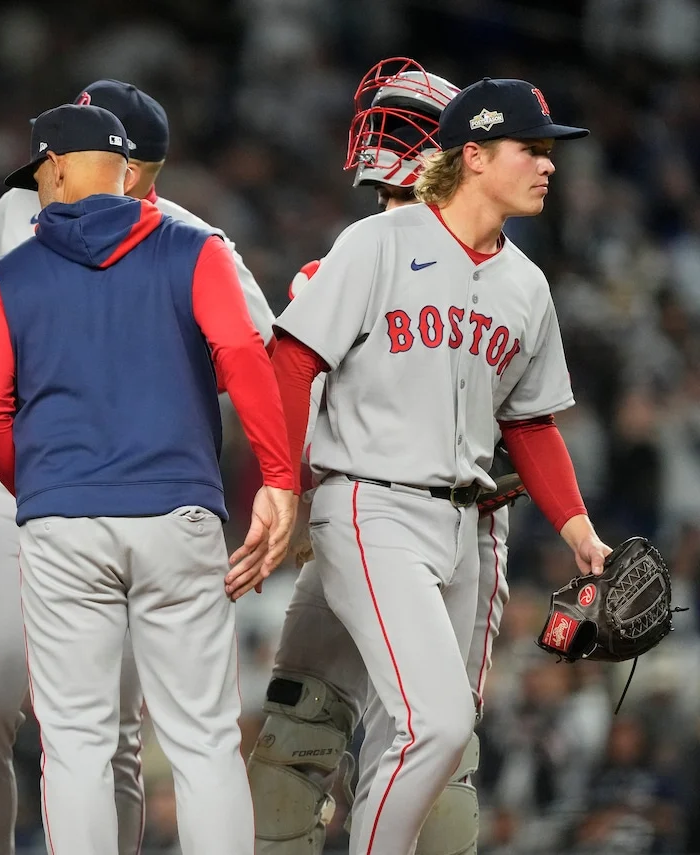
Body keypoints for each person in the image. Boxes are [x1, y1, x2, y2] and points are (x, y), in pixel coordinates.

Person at [266, 76, 611, 855]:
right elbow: (293, 359)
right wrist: (281, 487)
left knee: (436, 742)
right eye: (532, 148)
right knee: (437, 722)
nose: (549, 164)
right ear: (475, 155)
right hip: (372, 505)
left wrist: (578, 528)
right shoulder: (378, 243)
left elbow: (530, 423)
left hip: (465, 526)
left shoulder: (527, 284)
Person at [0, 78, 276, 855]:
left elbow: (257, 350)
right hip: (35, 483)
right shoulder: (14, 211)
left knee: (104, 734)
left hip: (115, 487)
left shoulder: (192, 237)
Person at [248, 58, 507, 855]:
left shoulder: (333, 268)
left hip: (366, 519)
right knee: (436, 756)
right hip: (432, 525)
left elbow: (290, 382)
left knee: (303, 738)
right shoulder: (499, 280)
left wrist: (288, 492)